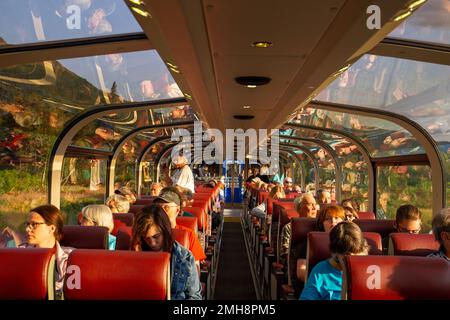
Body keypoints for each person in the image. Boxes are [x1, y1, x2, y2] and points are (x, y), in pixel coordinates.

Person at [131, 204, 202, 300]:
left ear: (165, 231)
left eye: (156, 237)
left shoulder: (184, 258)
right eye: (147, 238)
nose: (152, 243)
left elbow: (194, 296)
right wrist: (137, 258)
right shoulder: (133, 255)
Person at [2, 205, 73, 299]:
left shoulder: (69, 258)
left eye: (34, 224)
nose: (27, 229)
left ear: (51, 228)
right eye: (27, 224)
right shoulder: (19, 254)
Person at [300, 221, 369, 300]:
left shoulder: (371, 270)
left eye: (356, 256)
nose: (352, 261)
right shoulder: (320, 272)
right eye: (347, 256)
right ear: (335, 253)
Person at [154, 187, 206, 263]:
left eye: (166, 207)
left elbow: (195, 269)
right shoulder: (148, 235)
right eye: (158, 207)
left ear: (177, 210)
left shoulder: (188, 234)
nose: (161, 211)